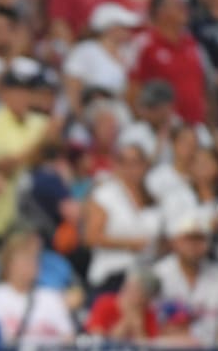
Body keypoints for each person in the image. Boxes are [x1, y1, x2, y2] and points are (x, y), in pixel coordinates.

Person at [0, 68, 50, 239]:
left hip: (41, 211)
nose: (23, 97)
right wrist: (39, 146)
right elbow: (3, 165)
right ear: (4, 94)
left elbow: (53, 156)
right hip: (7, 214)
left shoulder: (40, 121)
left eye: (27, 91)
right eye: (17, 91)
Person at [85, 143, 162, 294]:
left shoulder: (153, 197)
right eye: (124, 162)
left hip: (148, 271)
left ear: (145, 165)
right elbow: (91, 237)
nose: (130, 168)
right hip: (113, 273)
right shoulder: (105, 194)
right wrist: (129, 244)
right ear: (117, 165)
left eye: (135, 162)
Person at [153, 216, 218, 347]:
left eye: (199, 239)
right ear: (175, 242)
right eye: (188, 239)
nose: (193, 245)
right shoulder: (156, 274)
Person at [0, 230, 75, 347]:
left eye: (33, 260)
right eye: (23, 260)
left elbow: (69, 338)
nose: (29, 265)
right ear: (9, 264)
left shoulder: (51, 297)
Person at [129, 0, 207, 125]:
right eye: (178, 5)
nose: (184, 9)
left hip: (195, 126)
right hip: (161, 128)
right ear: (161, 11)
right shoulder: (146, 44)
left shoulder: (192, 43)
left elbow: (202, 87)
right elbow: (132, 90)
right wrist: (148, 122)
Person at [62, 2, 141, 116]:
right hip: (90, 117)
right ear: (111, 29)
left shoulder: (129, 53)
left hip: (120, 117)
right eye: (124, 28)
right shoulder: (85, 51)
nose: (129, 32)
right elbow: (72, 90)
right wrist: (82, 118)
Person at [86, 267, 160, 342]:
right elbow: (97, 337)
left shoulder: (148, 312)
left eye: (135, 291)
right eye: (127, 287)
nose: (127, 292)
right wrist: (126, 320)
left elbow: (149, 345)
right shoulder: (105, 302)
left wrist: (138, 327)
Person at [118, 81, 177, 164]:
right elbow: (130, 168)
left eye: (153, 107)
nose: (146, 112)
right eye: (147, 106)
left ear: (168, 108)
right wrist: (159, 146)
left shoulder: (181, 129)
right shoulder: (132, 133)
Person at [145, 124, 199, 203]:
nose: (190, 147)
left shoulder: (200, 178)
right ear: (174, 143)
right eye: (185, 142)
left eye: (193, 143)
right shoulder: (158, 174)